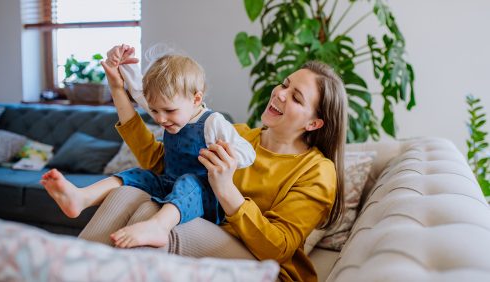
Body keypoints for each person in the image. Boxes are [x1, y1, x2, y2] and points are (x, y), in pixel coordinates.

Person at [79, 57, 347, 282]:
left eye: (296, 97)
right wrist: (118, 89)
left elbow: (277, 249)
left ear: (314, 123)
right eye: (285, 84)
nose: (280, 93)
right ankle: (66, 269)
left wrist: (226, 190)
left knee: (156, 219)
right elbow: (161, 165)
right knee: (126, 194)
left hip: (269, 268)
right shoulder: (240, 136)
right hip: (214, 235)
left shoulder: (317, 171)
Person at [41, 44, 255, 249]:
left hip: (204, 197)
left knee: (189, 181)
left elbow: (249, 153)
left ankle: (159, 226)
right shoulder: (165, 107)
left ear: (196, 99)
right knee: (138, 174)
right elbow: (137, 90)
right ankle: (82, 197)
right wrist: (124, 64)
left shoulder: (212, 122)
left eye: (169, 111)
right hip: (169, 183)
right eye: (154, 111)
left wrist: (226, 155)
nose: (161, 119)